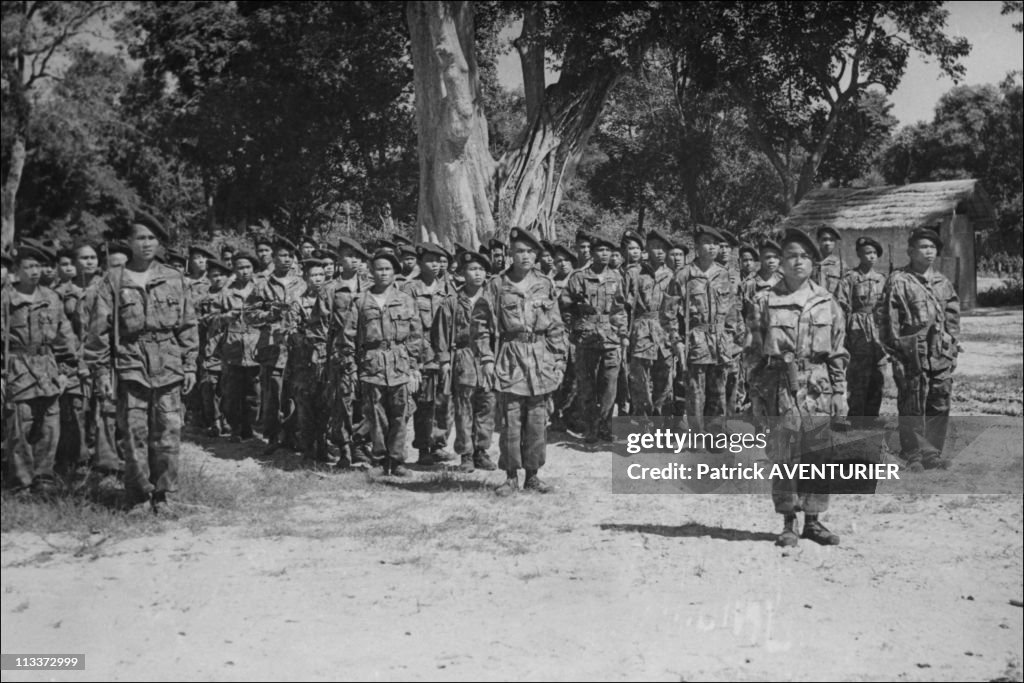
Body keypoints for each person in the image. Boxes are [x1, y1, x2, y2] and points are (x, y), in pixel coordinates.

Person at [84, 210, 198, 514]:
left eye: (152, 238)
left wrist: (189, 364)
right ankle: (137, 494)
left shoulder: (173, 278)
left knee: (169, 433)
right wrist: (101, 373)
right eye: (140, 238)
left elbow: (187, 324)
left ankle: (164, 494)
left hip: (169, 363)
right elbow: (99, 331)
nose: (146, 243)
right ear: (129, 242)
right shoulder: (114, 281)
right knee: (134, 433)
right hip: (130, 364)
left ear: (158, 242)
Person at [745, 228, 848, 547]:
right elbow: (752, 352)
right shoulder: (765, 300)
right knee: (785, 454)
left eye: (805, 256)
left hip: (819, 386)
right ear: (781, 263)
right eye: (791, 256)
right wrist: (756, 396)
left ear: (814, 263)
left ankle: (814, 522)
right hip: (779, 386)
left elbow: (838, 351)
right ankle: (789, 522)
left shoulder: (827, 301)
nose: (798, 261)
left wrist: (841, 393)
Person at [475, 227, 566, 494]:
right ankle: (511, 476)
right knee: (511, 420)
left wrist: (559, 360)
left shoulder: (545, 284)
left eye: (529, 251)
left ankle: (533, 475)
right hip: (511, 357)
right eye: (519, 251)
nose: (524, 256)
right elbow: (480, 325)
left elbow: (556, 326)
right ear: (510, 255)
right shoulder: (496, 285)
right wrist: (487, 359)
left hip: (540, 359)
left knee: (538, 421)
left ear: (536, 255)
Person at [878, 226, 960, 471]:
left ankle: (932, 452)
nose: (928, 252)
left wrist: (952, 348)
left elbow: (953, 318)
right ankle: (912, 453)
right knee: (912, 403)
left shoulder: (942, 282)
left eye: (932, 247)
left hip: (939, 354)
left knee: (939, 402)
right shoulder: (899, 280)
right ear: (911, 251)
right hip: (911, 353)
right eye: (923, 247)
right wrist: (896, 353)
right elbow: (887, 321)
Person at [2, 243, 80, 495]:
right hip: (17, 368)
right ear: (16, 270)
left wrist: (67, 371)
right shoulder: (5, 298)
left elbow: (65, 336)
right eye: (29, 266)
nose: (35, 271)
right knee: (20, 427)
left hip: (47, 369)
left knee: (49, 423)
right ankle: (21, 482)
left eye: (39, 266)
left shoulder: (51, 297)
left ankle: (43, 477)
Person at [341, 250, 421, 475]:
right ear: (371, 272)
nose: (383, 273)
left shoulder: (405, 300)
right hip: (371, 365)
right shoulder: (360, 301)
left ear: (395, 272)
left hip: (399, 363)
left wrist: (414, 369)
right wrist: (352, 368)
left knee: (400, 414)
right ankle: (378, 460)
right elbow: (348, 337)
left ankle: (396, 461)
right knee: (375, 415)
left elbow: (416, 337)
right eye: (379, 269)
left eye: (388, 269)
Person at [666, 226, 741, 439]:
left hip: (720, 342)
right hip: (696, 341)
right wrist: (677, 340)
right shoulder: (684, 276)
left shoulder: (723, 274)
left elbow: (732, 310)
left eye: (715, 243)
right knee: (695, 393)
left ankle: (716, 436)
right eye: (707, 242)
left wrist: (732, 337)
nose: (713, 247)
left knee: (718, 392)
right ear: (697, 248)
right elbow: (668, 313)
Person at [434, 251, 498, 472]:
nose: (477, 273)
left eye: (481, 269)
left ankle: (482, 451)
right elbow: (441, 334)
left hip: (488, 357)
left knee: (487, 406)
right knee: (464, 408)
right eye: (472, 269)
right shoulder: (451, 301)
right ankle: (467, 454)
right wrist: (444, 362)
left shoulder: (492, 299)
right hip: (463, 357)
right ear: (462, 273)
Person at [313, 237, 373, 468]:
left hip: (368, 354)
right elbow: (320, 326)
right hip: (341, 354)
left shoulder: (370, 287)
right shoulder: (329, 289)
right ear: (340, 259)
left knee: (367, 401)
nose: (355, 261)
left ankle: (361, 444)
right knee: (344, 401)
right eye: (350, 256)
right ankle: (345, 448)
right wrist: (323, 357)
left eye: (359, 257)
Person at [561, 235, 628, 443]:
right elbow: (565, 305)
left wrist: (622, 332)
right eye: (601, 250)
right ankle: (591, 427)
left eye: (609, 251)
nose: (605, 254)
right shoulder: (578, 277)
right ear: (592, 253)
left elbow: (621, 308)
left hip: (610, 337)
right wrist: (574, 327)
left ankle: (606, 426)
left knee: (609, 385)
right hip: (586, 338)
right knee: (586, 385)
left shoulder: (617, 277)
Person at [401, 242, 458, 466]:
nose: (435, 265)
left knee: (444, 401)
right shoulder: (410, 288)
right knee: (423, 403)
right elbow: (406, 324)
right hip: (420, 353)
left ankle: (438, 444)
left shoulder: (448, 288)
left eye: (438, 261)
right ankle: (423, 447)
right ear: (420, 262)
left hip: (443, 352)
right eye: (430, 261)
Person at [248, 235, 305, 453]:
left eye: (291, 256)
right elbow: (249, 315)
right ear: (273, 257)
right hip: (272, 345)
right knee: (273, 392)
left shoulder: (303, 283)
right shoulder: (262, 285)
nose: (287, 259)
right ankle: (272, 437)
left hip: (297, 346)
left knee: (294, 392)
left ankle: (291, 435)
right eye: (282, 255)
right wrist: (268, 314)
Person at [836, 237, 888, 424]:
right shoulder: (850, 278)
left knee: (879, 372)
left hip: (877, 330)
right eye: (867, 252)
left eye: (874, 253)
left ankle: (873, 415)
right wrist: (843, 333)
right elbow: (840, 306)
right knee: (858, 374)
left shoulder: (882, 279)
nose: (871, 256)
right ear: (859, 254)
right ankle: (856, 415)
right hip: (857, 329)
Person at [628, 229, 676, 419]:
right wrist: (624, 335)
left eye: (663, 248)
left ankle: (663, 425)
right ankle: (644, 425)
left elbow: (675, 310)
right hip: (641, 332)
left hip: (664, 333)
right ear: (647, 249)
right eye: (655, 247)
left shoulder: (672, 276)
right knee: (640, 382)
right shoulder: (634, 273)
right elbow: (622, 307)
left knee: (665, 382)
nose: (660, 252)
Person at [215, 253, 261, 443]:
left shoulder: (260, 290)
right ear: (234, 270)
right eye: (240, 267)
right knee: (233, 393)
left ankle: (249, 427)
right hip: (233, 348)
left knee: (254, 393)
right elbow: (213, 318)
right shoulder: (226, 292)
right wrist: (226, 317)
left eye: (248, 267)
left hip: (255, 346)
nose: (244, 271)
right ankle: (235, 428)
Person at [52, 247, 90, 475]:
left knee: (78, 410)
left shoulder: (81, 294)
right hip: (53, 357)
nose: (68, 268)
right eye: (62, 264)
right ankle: (59, 460)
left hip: (76, 356)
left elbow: (83, 331)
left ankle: (80, 459)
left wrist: (80, 360)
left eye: (70, 263)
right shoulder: (50, 293)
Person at [195, 258, 232, 437]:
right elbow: (196, 320)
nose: (218, 279)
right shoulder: (202, 299)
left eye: (221, 275)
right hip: (209, 345)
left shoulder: (233, 295)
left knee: (227, 386)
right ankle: (215, 421)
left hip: (230, 346)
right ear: (208, 277)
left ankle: (227, 419)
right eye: (214, 276)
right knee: (209, 384)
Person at [814, 226, 846, 297]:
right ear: (818, 240)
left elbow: (844, 292)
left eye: (831, 240)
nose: (828, 243)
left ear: (835, 243)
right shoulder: (810, 263)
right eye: (824, 239)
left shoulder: (840, 265)